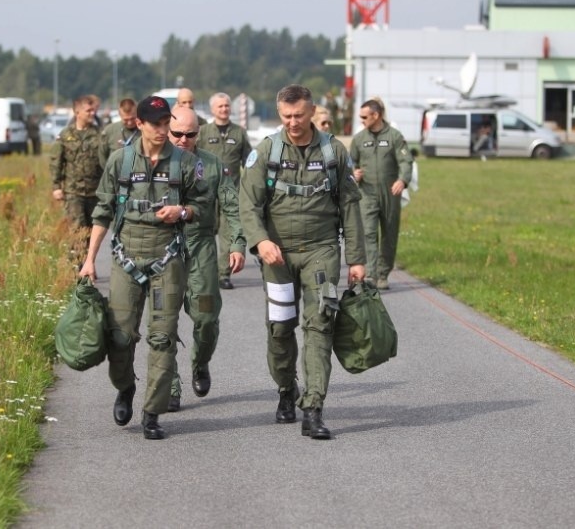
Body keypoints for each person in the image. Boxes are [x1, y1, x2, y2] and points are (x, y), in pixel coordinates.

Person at [239, 84, 365, 439]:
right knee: (280, 328)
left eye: (299, 115)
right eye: (286, 116)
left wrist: (356, 259)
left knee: (320, 324)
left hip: (321, 250)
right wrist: (261, 241)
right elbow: (247, 204)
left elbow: (351, 206)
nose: (293, 122)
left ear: (312, 112)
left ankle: (313, 408)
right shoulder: (266, 151)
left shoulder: (334, 152)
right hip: (276, 255)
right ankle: (285, 390)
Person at [79, 96, 208, 440]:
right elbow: (102, 211)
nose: (164, 130)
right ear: (139, 124)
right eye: (156, 124)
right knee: (120, 336)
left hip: (168, 258)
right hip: (126, 257)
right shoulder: (120, 161)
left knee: (163, 337)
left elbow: (204, 208)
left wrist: (182, 212)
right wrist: (90, 259)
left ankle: (152, 412)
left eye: (167, 123)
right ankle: (125, 388)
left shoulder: (185, 163)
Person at [166, 106, 246, 412]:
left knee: (207, 318)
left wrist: (237, 243)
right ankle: (170, 384)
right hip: (164, 248)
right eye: (177, 134)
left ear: (200, 133)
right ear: (166, 130)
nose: (184, 140)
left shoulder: (213, 165)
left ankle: (200, 362)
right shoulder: (153, 162)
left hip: (201, 246)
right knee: (165, 320)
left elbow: (231, 205)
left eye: (191, 134)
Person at [349, 98, 413, 290]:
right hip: (366, 193)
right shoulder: (359, 139)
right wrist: (354, 174)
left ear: (376, 115)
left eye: (364, 117)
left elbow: (405, 161)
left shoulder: (394, 136)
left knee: (389, 234)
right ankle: (370, 274)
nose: (361, 120)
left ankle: (383, 274)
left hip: (389, 193)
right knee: (368, 233)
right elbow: (350, 163)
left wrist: (402, 180)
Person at [197, 92, 252, 290]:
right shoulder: (202, 132)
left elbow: (249, 161)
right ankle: (204, 271)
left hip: (231, 191)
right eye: (220, 106)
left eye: (227, 106)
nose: (224, 109)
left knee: (228, 235)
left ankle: (223, 274)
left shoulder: (239, 133)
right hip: (206, 192)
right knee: (205, 233)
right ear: (213, 109)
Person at [49, 95, 103, 260]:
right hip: (74, 192)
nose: (92, 113)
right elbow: (56, 162)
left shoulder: (99, 134)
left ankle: (88, 263)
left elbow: (106, 162)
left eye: (93, 110)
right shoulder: (65, 135)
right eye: (88, 110)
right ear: (77, 112)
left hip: (95, 192)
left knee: (93, 230)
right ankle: (77, 267)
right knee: (77, 228)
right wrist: (56, 187)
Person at [98, 98, 139, 171]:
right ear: (120, 115)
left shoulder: (144, 130)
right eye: (126, 120)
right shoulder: (109, 131)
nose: (129, 123)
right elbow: (102, 156)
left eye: (132, 119)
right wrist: (109, 172)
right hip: (115, 176)